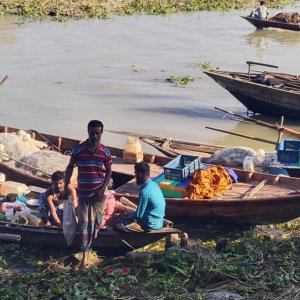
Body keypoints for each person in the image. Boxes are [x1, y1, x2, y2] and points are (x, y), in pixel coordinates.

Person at [63, 120, 112, 270]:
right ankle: (84, 259)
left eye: (98, 133)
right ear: (88, 132)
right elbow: (70, 167)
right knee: (84, 225)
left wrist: (102, 189)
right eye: (92, 132)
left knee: (96, 224)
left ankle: (90, 248)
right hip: (83, 195)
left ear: (101, 133)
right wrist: (66, 186)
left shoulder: (105, 151)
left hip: (99, 196)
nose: (95, 136)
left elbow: (109, 171)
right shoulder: (78, 150)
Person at [124, 162, 166, 231]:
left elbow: (138, 216)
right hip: (159, 222)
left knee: (122, 222)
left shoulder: (144, 192)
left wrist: (127, 217)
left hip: (150, 224)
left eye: (135, 173)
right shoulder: (154, 184)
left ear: (140, 174)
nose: (135, 176)